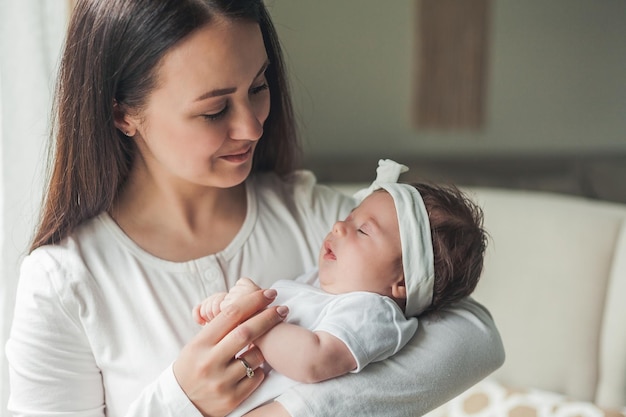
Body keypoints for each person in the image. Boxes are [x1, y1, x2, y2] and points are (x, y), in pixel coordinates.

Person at [5, 1, 504, 416]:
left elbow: (476, 335)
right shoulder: (65, 281)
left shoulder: (313, 217)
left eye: (259, 87)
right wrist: (181, 401)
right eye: (214, 109)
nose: (252, 127)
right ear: (122, 112)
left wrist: (292, 412)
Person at [195, 160, 489, 417]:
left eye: (363, 230)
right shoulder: (313, 283)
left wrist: (253, 315)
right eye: (349, 217)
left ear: (401, 282)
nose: (338, 226)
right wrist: (229, 309)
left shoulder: (373, 312)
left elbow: (310, 361)